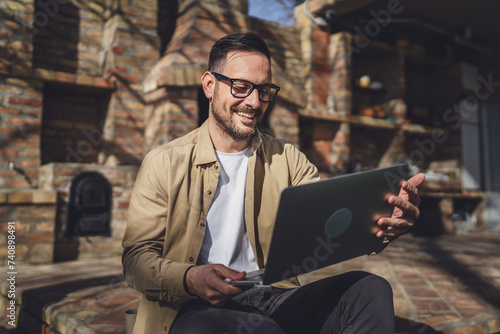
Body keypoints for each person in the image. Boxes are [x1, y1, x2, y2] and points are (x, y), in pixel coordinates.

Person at [122, 32, 425, 334]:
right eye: (241, 87)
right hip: (190, 307)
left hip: (270, 298)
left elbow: (329, 229)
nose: (254, 102)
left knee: (369, 289)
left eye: (264, 90)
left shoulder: (288, 159)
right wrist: (189, 278)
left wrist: (385, 225)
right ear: (209, 85)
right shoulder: (164, 161)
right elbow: (136, 261)